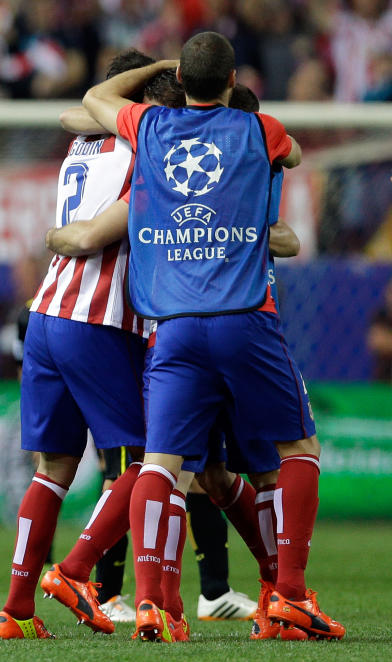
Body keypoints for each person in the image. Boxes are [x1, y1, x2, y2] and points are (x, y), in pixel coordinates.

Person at [81, 31, 344, 641]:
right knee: (297, 452)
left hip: (171, 326)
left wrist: (166, 71)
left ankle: (150, 605)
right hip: (243, 318)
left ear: (181, 80)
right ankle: (292, 596)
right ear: (231, 82)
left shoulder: (149, 126)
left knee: (160, 465)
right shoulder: (262, 130)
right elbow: (297, 154)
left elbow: (96, 97)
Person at [0, 49, 175, 641]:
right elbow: (101, 233)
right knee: (152, 460)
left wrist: (51, 237)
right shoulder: (150, 145)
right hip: (97, 316)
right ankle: (74, 573)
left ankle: (15, 612)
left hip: (44, 312)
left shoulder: (86, 137)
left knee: (52, 470)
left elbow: (88, 105)